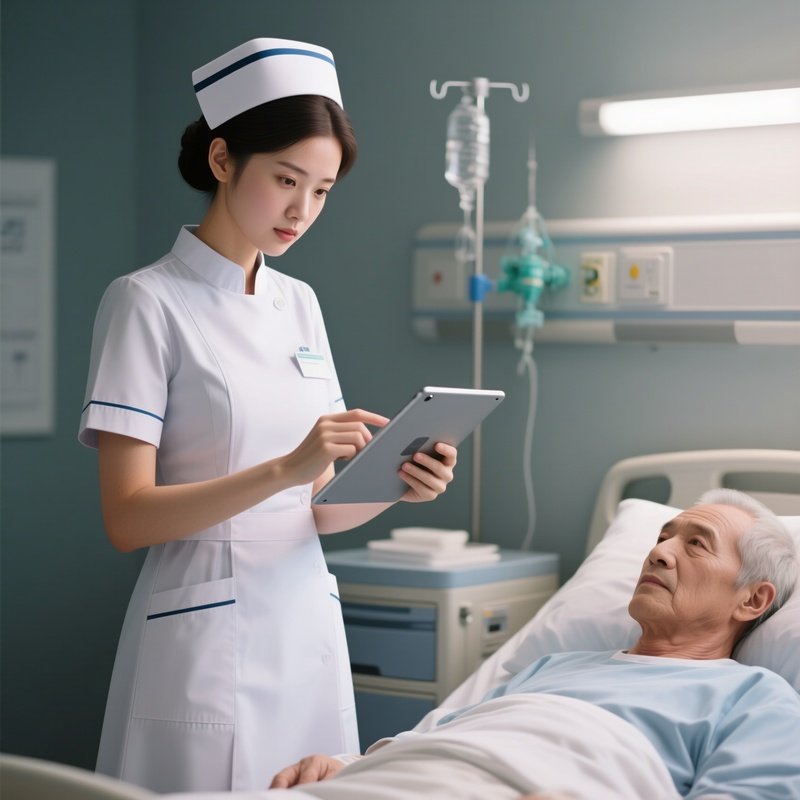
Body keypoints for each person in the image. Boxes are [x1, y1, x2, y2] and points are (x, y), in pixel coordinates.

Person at [78, 37, 457, 794]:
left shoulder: (300, 303)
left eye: (321, 191)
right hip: (202, 632)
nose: (301, 211)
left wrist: (396, 485)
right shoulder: (145, 301)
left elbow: (314, 509)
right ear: (223, 159)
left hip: (305, 625)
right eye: (286, 180)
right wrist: (285, 467)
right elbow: (127, 518)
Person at [256, 489, 800, 799]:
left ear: (752, 600)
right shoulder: (552, 667)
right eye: (662, 537)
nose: (659, 553)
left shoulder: (755, 699)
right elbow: (431, 739)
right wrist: (343, 765)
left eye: (696, 545)